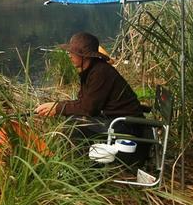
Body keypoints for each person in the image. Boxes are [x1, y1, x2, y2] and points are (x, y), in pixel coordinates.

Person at [35, 32, 148, 163]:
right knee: (73, 118)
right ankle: (80, 162)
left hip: (127, 126)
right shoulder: (91, 70)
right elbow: (83, 102)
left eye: (73, 53)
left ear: (85, 56)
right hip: (116, 120)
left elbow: (88, 109)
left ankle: (79, 167)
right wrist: (56, 105)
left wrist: (58, 108)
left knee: (75, 126)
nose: (70, 56)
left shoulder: (100, 72)